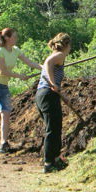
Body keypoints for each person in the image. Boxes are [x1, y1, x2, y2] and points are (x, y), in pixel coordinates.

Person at [0, 28, 41, 154]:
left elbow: (30, 62)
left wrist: (45, 67)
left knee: (6, 114)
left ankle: (4, 143)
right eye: (14, 37)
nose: (16, 39)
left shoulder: (15, 50)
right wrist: (20, 76)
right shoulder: (0, 51)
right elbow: (2, 71)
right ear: (7, 38)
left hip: (4, 86)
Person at [36, 32, 71, 172]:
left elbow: (48, 66)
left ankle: (55, 158)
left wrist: (62, 94)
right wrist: (52, 82)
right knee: (53, 129)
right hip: (48, 94)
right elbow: (48, 64)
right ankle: (49, 163)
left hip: (42, 95)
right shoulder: (60, 55)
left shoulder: (55, 55)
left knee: (54, 127)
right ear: (67, 45)